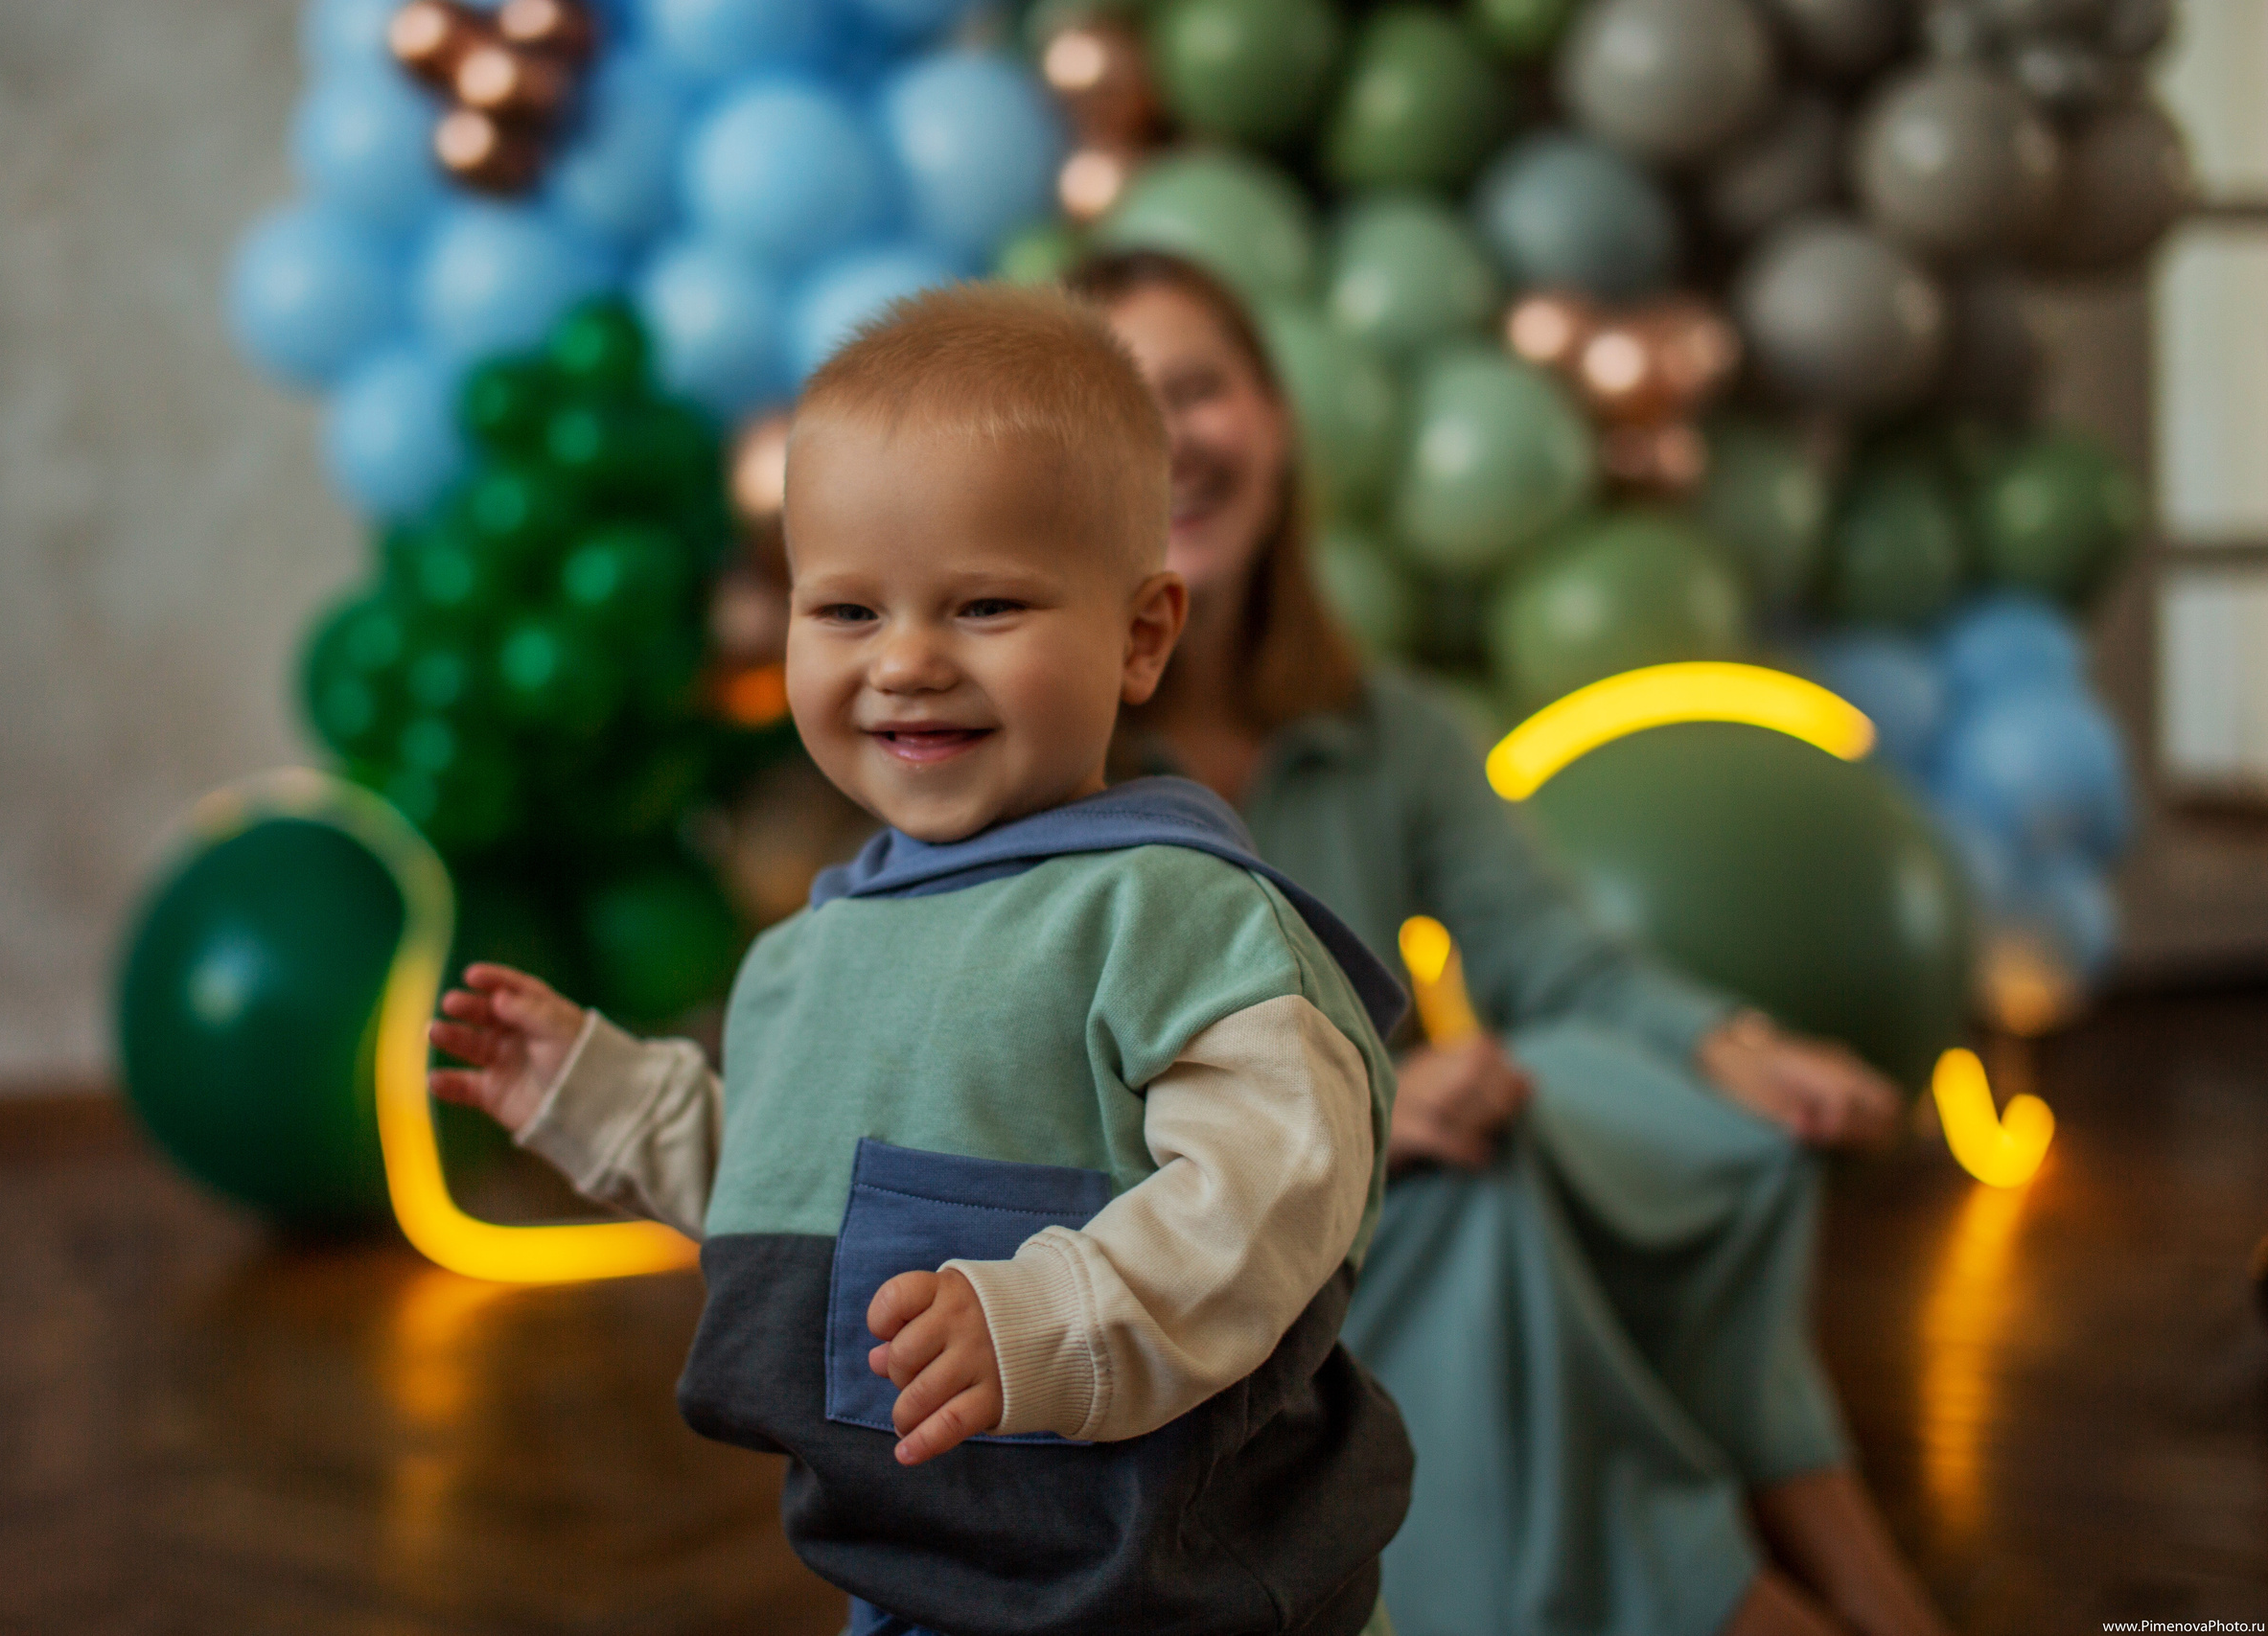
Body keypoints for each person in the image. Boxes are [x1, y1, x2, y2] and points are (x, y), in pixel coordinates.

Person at [425, 283, 1416, 1636]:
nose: (905, 663)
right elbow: (798, 1198)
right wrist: (603, 1101)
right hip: (912, 1576)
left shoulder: (1171, 914)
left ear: (1140, 636)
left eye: (987, 606)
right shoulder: (810, 953)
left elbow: (1273, 1194)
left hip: (1172, 1590)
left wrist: (1054, 1320)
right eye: (843, 612)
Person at [1072, 249, 1952, 1636]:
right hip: (1212, 1289)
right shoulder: (1047, 768)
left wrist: (1741, 1048)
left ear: (1278, 421)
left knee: (1659, 1116)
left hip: (1421, 1203)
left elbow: (1552, 956)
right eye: (1124, 410)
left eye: (1200, 390)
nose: (1176, 439)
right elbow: (1038, 1127)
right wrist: (1348, 1119)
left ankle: (1780, 1556)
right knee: (1487, 1193)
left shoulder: (1392, 727)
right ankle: (1790, 1592)